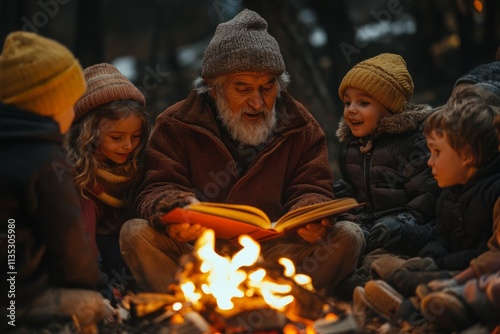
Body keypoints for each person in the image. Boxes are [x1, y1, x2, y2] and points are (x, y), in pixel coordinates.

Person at [119, 8, 365, 296]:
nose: (258, 103)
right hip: (199, 255)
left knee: (348, 236)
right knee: (135, 233)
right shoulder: (176, 124)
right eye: (243, 88)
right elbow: (156, 187)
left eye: (267, 87)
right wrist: (175, 212)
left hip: (275, 256)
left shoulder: (300, 127)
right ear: (214, 89)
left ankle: (286, 307)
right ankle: (194, 314)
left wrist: (310, 215)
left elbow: (311, 186)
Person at [353, 85, 500, 333]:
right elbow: (442, 234)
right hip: (449, 264)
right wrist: (425, 255)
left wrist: (438, 268)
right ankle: (407, 305)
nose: (430, 161)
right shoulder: (450, 193)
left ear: (467, 156)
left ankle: (414, 312)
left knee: (432, 288)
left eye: (437, 152)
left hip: (470, 274)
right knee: (385, 264)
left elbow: (486, 255)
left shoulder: (493, 194)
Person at [0, 31, 112, 330]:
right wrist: (100, 288)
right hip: (16, 301)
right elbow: (70, 250)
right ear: (50, 103)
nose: (74, 112)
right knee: (96, 308)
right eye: (71, 103)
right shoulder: (45, 161)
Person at [334, 53, 440, 261]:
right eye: (347, 103)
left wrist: (400, 225)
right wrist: (344, 197)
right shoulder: (349, 148)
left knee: (380, 262)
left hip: (406, 236)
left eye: (363, 103)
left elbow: (427, 198)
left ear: (389, 109)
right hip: (368, 232)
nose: (351, 110)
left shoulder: (412, 145)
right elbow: (361, 196)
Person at [65, 63, 149, 288]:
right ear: (90, 133)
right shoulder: (80, 176)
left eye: (136, 136)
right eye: (117, 137)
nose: (128, 145)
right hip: (93, 251)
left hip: (130, 243)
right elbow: (83, 233)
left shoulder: (141, 164)